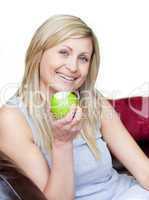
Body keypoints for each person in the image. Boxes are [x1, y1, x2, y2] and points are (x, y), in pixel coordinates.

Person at [0, 14, 149, 200]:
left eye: (83, 58)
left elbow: (143, 170)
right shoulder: (13, 118)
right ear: (38, 52)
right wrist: (62, 143)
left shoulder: (92, 100)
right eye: (64, 52)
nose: (73, 67)